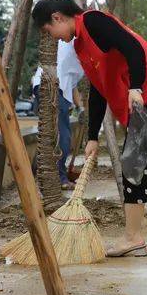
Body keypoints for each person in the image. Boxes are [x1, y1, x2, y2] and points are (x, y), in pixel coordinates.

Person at [32, 0, 147, 258]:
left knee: (134, 165)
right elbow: (99, 89)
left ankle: (132, 237)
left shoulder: (93, 22)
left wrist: (136, 87)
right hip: (144, 99)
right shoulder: (81, 45)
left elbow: (133, 47)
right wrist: (92, 136)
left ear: (57, 18)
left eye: (49, 30)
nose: (53, 37)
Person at [56, 39, 85, 190]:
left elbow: (73, 86)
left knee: (62, 136)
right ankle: (59, 177)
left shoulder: (72, 65)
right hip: (55, 88)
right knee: (63, 137)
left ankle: (60, 175)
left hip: (61, 90)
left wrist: (80, 108)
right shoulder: (72, 40)